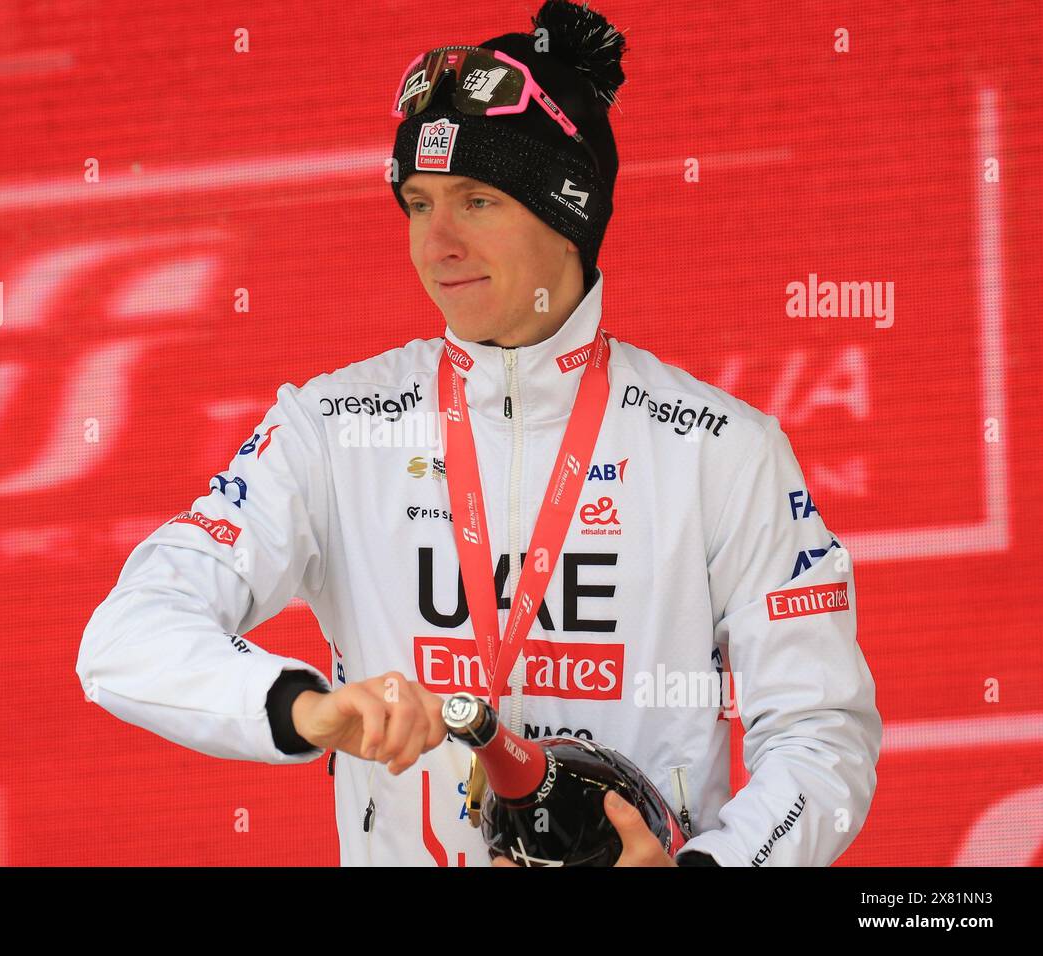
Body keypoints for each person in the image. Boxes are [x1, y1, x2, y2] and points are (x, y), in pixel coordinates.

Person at [76, 0, 882, 867]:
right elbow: (125, 637)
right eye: (418, 204)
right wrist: (307, 708)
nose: (438, 243)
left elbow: (820, 733)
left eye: (477, 200)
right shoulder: (333, 428)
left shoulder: (720, 450)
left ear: (568, 215)